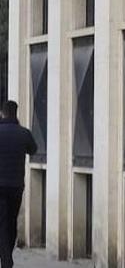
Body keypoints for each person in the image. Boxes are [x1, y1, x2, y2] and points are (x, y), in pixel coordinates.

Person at [0, 100, 37, 268]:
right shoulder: (24, 133)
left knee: (2, 222)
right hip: (16, 186)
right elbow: (33, 150)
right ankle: (7, 256)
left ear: (2, 113)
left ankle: (5, 259)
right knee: (11, 221)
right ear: (16, 113)